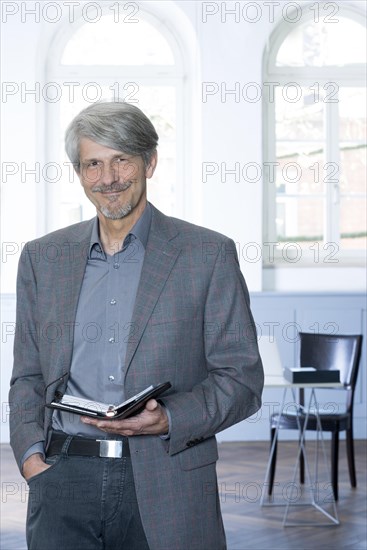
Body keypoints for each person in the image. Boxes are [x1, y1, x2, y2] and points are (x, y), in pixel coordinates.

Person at [9, 101, 264, 550]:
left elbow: (242, 381)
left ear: (150, 161)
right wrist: (32, 458)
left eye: (121, 159)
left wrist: (169, 417)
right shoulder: (41, 258)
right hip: (63, 478)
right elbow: (28, 374)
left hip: (169, 479)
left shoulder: (208, 255)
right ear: (79, 172)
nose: (108, 178)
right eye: (93, 164)